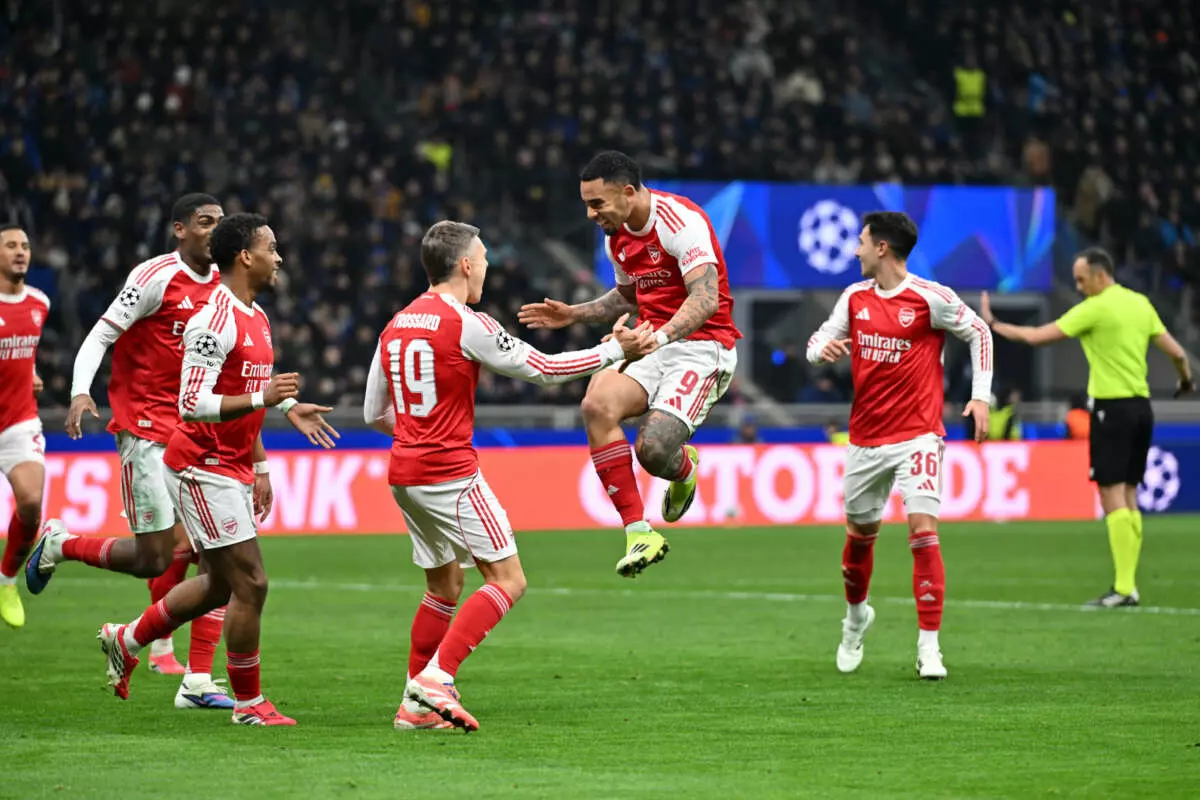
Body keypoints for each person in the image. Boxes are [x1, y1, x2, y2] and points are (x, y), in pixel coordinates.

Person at [365, 221, 657, 731]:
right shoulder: (465, 321)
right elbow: (543, 368)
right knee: (508, 579)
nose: (487, 266)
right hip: (448, 472)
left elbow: (374, 412)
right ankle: (436, 682)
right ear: (465, 265)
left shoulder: (396, 324)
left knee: (443, 584)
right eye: (483, 257)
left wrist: (417, 431)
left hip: (405, 474)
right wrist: (616, 352)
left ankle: (415, 702)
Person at [89, 213, 337, 725]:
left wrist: (288, 410)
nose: (279, 257)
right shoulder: (212, 319)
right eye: (272, 248)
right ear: (246, 256)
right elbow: (190, 401)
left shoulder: (257, 317)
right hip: (202, 465)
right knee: (253, 583)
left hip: (231, 464)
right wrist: (262, 398)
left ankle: (127, 638)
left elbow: (254, 382)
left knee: (221, 585)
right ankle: (248, 704)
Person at [27, 194, 239, 708]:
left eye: (220, 222)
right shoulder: (154, 277)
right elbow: (101, 336)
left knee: (222, 558)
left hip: (195, 431)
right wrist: (81, 390)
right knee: (153, 559)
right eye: (204, 222)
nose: (214, 230)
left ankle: (196, 681)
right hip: (146, 428)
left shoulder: (227, 289)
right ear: (180, 230)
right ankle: (59, 543)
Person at [518, 151, 741, 578]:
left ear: (628, 192)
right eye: (586, 204)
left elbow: (705, 297)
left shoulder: (680, 221)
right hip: (651, 342)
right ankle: (639, 532)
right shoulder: (616, 235)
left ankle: (684, 468)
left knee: (653, 451)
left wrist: (654, 337)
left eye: (597, 203)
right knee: (596, 404)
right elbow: (627, 297)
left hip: (702, 345)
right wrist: (575, 314)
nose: (590, 214)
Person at [806, 211, 993, 680]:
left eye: (862, 242)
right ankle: (855, 619)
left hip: (918, 435)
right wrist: (821, 351)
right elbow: (816, 342)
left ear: (882, 248)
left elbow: (980, 332)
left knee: (923, 531)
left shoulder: (931, 298)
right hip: (865, 438)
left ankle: (930, 648)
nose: (856, 250)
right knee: (858, 541)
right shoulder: (854, 299)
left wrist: (980, 397)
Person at [981, 246, 1195, 607]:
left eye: (1081, 279)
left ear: (1101, 275)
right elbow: (1177, 353)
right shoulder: (1140, 304)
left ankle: (1124, 588)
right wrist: (1185, 382)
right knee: (1128, 494)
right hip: (1143, 408)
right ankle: (1129, 584)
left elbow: (1036, 337)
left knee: (1111, 493)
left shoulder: (1096, 308)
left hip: (1111, 409)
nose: (1078, 287)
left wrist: (994, 324)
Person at [0, 224, 49, 628]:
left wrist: (28, 372)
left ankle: (6, 580)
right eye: (11, 245)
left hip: (17, 421)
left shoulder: (39, 303)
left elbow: (21, 349)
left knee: (31, 505)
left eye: (25, 246)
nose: (21, 252)